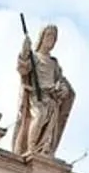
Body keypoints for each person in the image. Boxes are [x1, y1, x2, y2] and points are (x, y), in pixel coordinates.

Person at [13, 23, 75, 157]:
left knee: (49, 125)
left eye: (54, 38)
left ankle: (43, 149)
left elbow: (61, 80)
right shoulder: (34, 57)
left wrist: (63, 89)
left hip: (51, 98)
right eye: (48, 36)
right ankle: (31, 148)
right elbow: (23, 68)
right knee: (39, 116)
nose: (51, 40)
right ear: (42, 37)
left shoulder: (54, 63)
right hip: (36, 95)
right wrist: (24, 51)